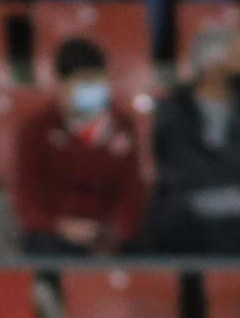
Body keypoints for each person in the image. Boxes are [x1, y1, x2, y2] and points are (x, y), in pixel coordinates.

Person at [145, 24, 240, 255]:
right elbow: (183, 168)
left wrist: (220, 161)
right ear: (213, 66)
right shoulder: (175, 110)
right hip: (190, 213)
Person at [15, 36, 146, 256]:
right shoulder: (38, 129)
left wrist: (117, 232)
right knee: (42, 246)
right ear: (62, 84)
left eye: (97, 81)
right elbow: (28, 199)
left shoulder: (122, 127)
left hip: (106, 233)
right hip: (55, 235)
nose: (93, 89)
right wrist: (60, 226)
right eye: (84, 81)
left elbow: (130, 192)